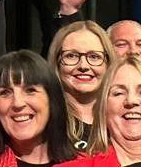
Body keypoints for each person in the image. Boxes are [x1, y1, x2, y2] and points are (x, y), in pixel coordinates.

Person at [47, 18, 110, 151]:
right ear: (56, 62)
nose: (83, 66)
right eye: (71, 56)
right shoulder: (46, 121)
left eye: (94, 57)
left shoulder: (120, 120)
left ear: (108, 64)